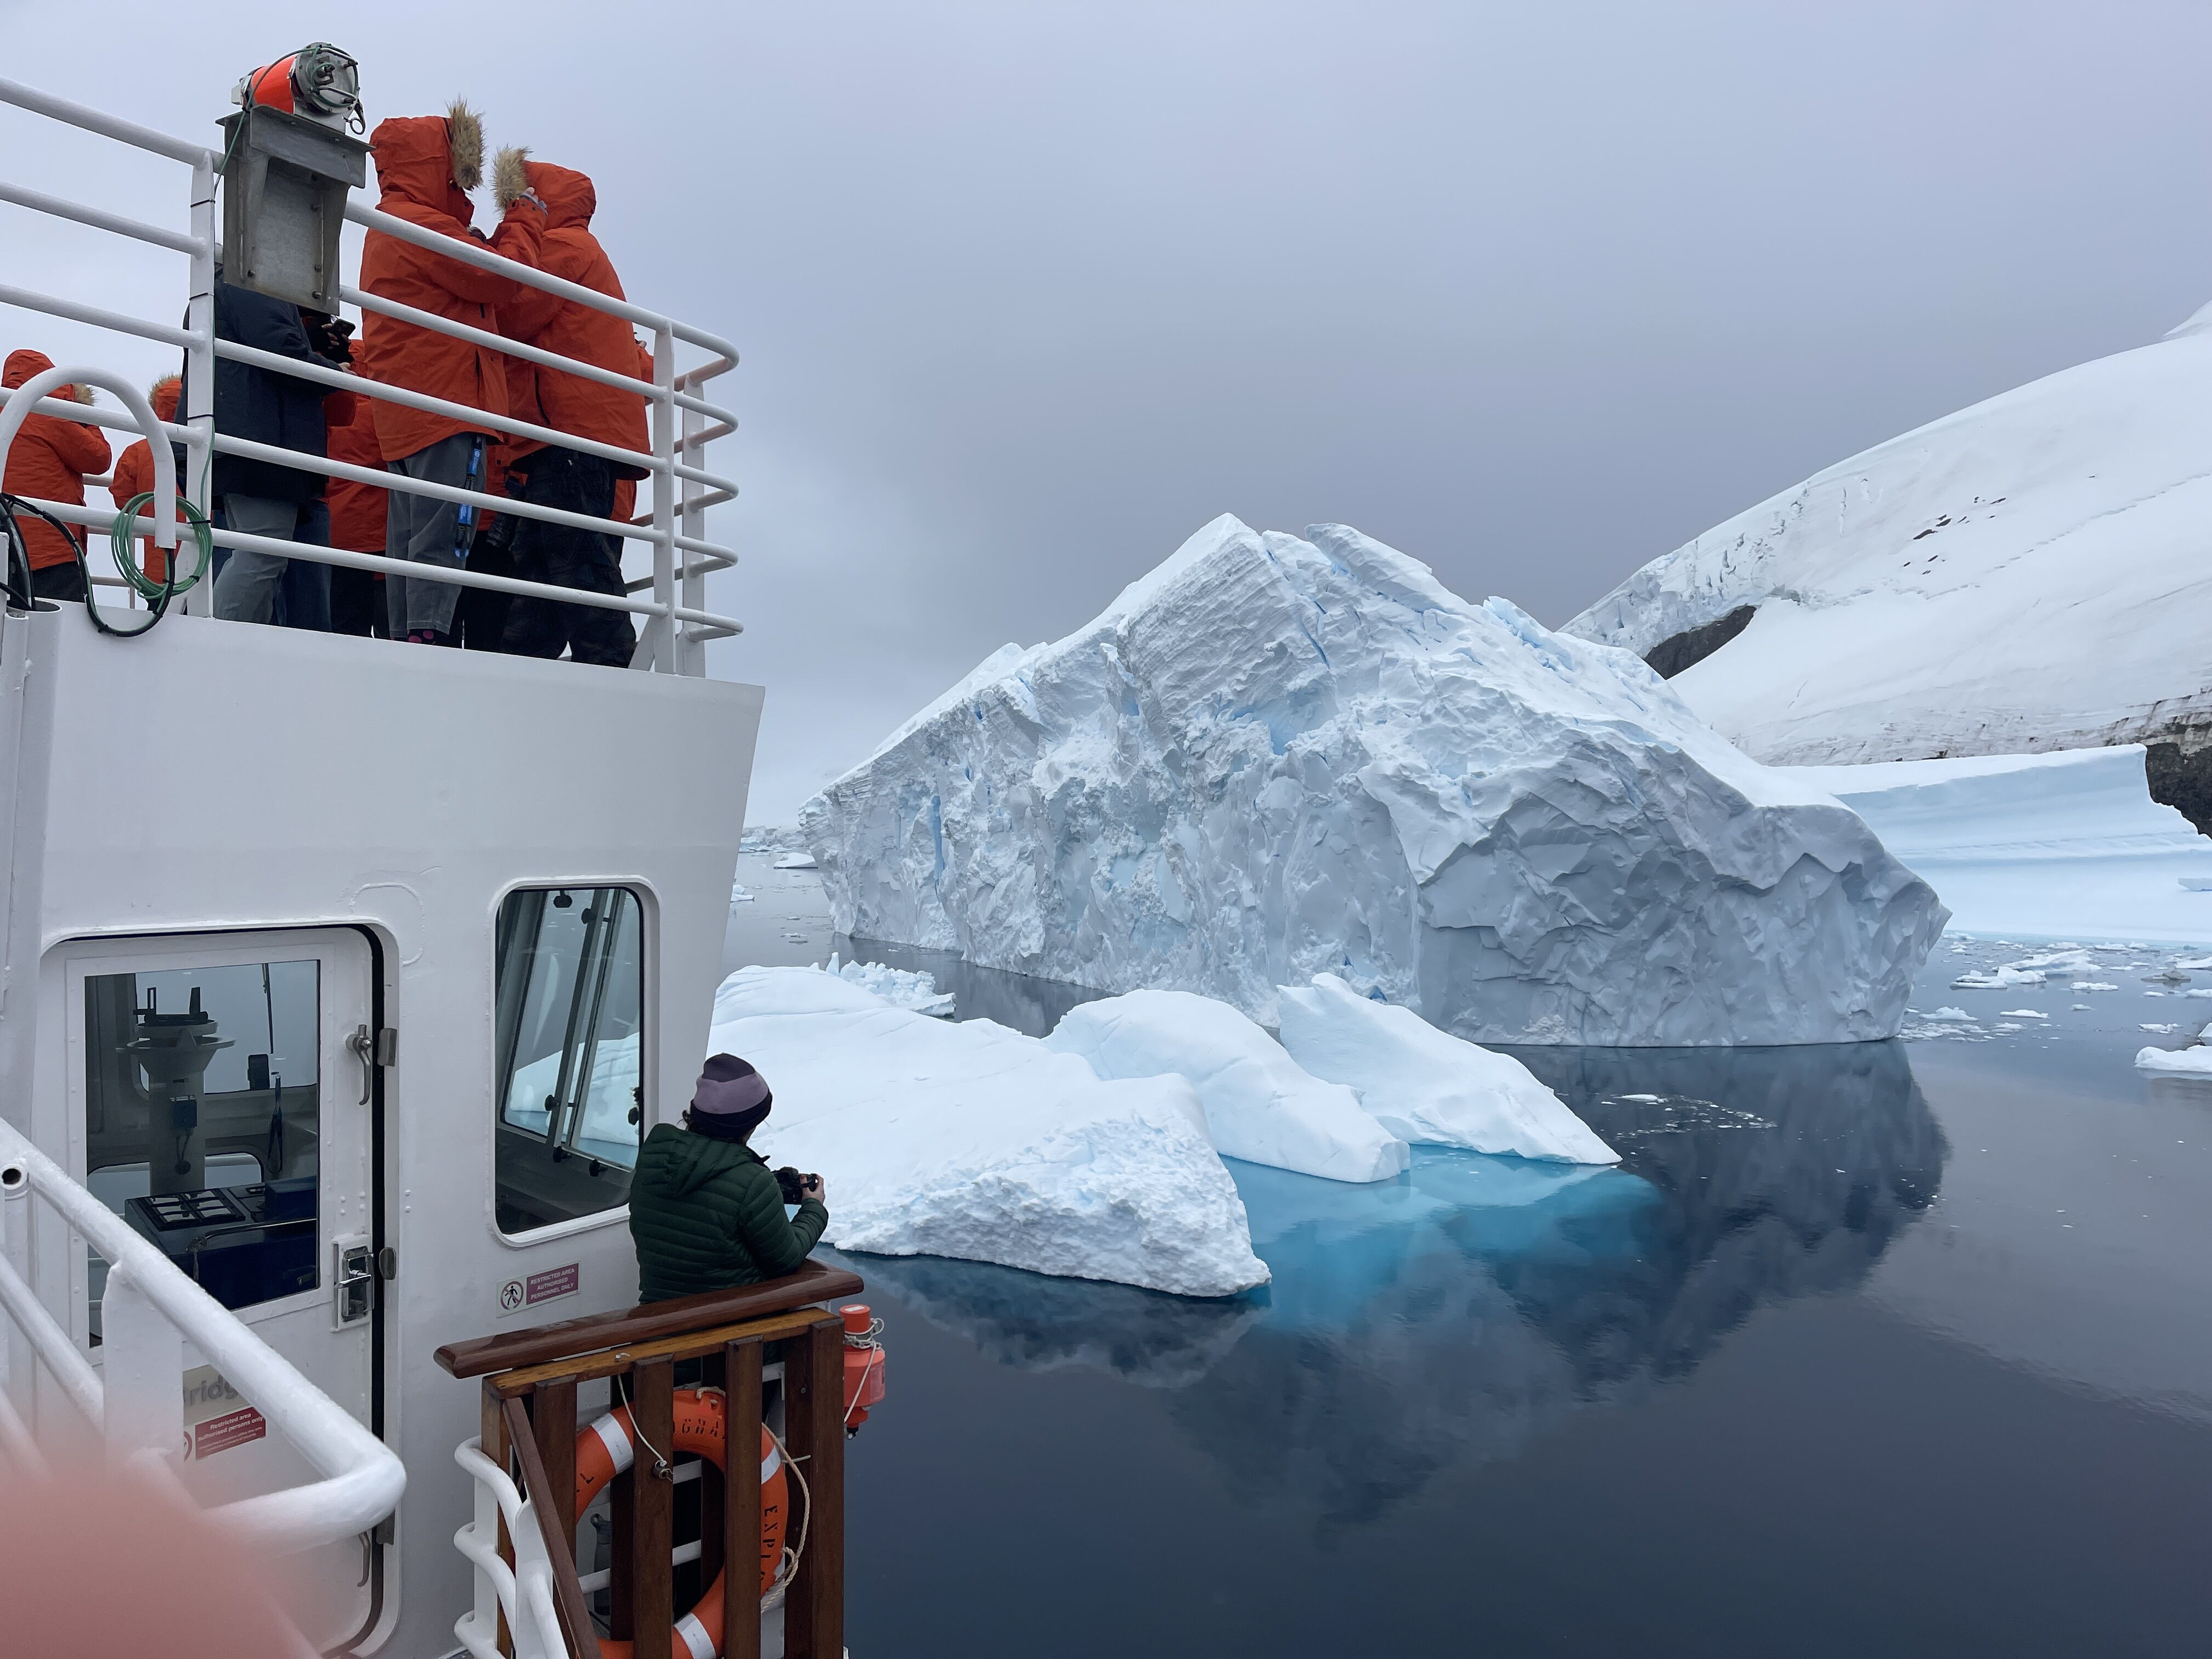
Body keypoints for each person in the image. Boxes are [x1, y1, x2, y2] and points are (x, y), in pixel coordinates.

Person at [357, 101, 546, 646]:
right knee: (445, 534)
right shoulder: (422, 226)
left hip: (409, 411)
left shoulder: (391, 223)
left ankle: (408, 636)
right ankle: (428, 637)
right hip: (448, 404)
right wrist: (525, 218)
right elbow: (501, 279)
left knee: (409, 538)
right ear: (434, 164)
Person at [489, 151, 648, 666]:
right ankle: (525, 668)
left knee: (573, 559)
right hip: (571, 435)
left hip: (570, 434)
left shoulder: (564, 246)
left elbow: (513, 311)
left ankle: (612, 667)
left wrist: (495, 251)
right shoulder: (578, 246)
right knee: (545, 564)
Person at [193, 278, 357, 628]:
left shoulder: (235, 286)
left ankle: (230, 641)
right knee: (263, 554)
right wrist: (334, 371)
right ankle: (217, 640)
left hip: (253, 436)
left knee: (262, 555)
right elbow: (280, 352)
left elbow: (264, 341)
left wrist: (308, 342)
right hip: (262, 439)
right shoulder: (255, 282)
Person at [628, 1054, 829, 1304]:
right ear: (751, 1123)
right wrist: (813, 1207)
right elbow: (786, 1260)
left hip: (656, 1315)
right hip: (729, 1320)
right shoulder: (753, 1182)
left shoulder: (655, 1157)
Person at [2, 348, 111, 601]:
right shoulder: (50, 414)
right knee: (62, 623)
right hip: (51, 550)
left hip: (5, 547)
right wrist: (85, 415)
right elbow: (99, 458)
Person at [323, 392, 389, 636]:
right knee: (390, 631)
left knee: (344, 627)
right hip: (374, 533)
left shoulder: (325, 408)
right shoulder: (380, 412)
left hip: (333, 531)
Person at [107, 373, 184, 583]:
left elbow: (123, 499)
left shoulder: (137, 452)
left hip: (160, 570)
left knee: (164, 603)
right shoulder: (215, 449)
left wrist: (151, 512)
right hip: (212, 565)